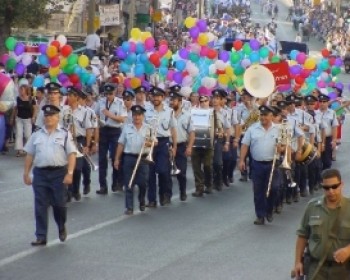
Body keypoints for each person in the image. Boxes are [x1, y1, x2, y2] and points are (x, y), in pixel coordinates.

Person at [23, 105, 77, 246]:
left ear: (57, 117)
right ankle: (41, 236)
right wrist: (26, 173)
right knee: (40, 205)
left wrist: (70, 173)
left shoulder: (64, 134)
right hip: (40, 173)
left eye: (52, 115)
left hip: (58, 173)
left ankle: (61, 225)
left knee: (59, 204)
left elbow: (72, 155)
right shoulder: (37, 134)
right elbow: (30, 154)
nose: (48, 118)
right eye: (46, 116)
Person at [293, 168, 350, 279]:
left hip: (343, 271)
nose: (331, 191)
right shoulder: (312, 206)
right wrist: (297, 262)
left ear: (341, 184)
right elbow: (302, 236)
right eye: (326, 188)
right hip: (316, 269)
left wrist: (348, 250)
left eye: (334, 186)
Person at [239, 105, 283, 225]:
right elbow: (245, 145)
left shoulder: (279, 129)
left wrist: (281, 148)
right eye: (261, 115)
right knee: (258, 191)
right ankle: (260, 215)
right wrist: (242, 160)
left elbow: (286, 146)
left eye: (265, 115)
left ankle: (269, 209)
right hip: (257, 164)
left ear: (271, 116)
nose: (263, 117)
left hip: (273, 164)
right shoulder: (252, 129)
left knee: (274, 188)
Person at [114, 105, 154, 214]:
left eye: (139, 115)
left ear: (143, 116)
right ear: (132, 116)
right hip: (129, 157)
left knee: (143, 183)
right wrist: (117, 159)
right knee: (128, 183)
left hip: (143, 158)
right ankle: (129, 207)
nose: (137, 118)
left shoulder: (148, 128)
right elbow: (121, 144)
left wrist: (149, 143)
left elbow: (155, 142)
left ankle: (141, 200)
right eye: (135, 115)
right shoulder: (127, 128)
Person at [95, 83, 127, 194]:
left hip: (115, 131)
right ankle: (103, 186)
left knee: (115, 158)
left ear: (114, 93)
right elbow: (95, 115)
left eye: (110, 93)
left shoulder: (120, 102)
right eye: (106, 93)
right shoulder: (101, 102)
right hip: (103, 130)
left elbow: (122, 119)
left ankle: (116, 183)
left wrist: (110, 115)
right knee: (102, 160)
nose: (108, 96)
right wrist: (98, 120)